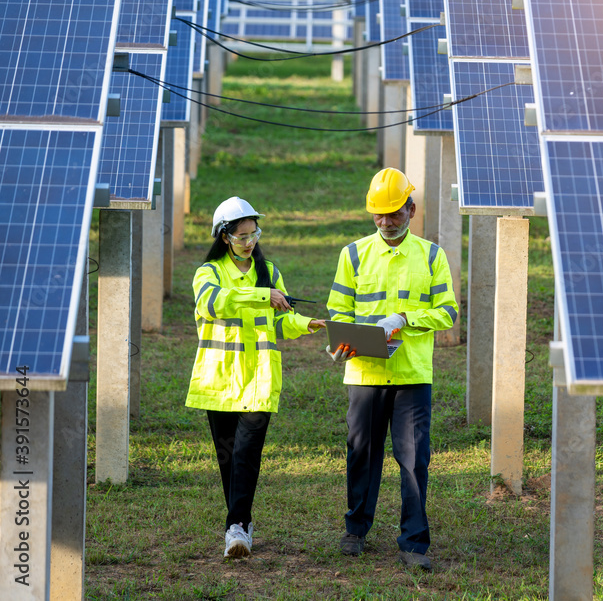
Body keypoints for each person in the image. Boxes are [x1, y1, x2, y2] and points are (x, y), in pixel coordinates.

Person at [326, 168, 458, 571]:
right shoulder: (352, 254)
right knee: (361, 453)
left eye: (394, 214)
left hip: (412, 375)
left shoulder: (433, 255)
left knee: (414, 458)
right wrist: (342, 341)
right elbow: (337, 309)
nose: (385, 222)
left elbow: (448, 312)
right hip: (365, 372)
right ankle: (355, 530)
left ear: (411, 209)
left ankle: (414, 542)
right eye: (378, 215)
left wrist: (403, 318)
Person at [186, 196, 325, 559]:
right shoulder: (208, 274)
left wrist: (306, 323)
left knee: (247, 455)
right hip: (218, 381)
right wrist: (264, 296)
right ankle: (239, 523)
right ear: (223, 237)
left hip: (259, 380)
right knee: (228, 458)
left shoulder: (270, 273)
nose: (249, 242)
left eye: (254, 234)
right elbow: (214, 304)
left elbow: (280, 319)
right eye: (242, 236)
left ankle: (238, 527)